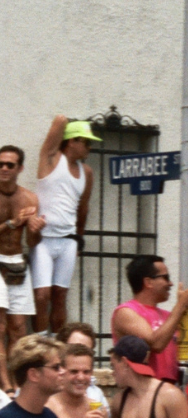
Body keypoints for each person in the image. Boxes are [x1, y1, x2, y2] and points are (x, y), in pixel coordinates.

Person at [32, 118, 98, 334]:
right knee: (42, 296)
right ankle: (42, 345)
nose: (89, 147)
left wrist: (79, 238)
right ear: (71, 141)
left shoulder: (86, 172)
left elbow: (83, 208)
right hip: (43, 238)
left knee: (60, 295)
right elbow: (59, 120)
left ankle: (58, 345)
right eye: (86, 142)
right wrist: (70, 123)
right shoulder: (52, 158)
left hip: (68, 240)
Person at [111, 255, 188, 384]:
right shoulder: (126, 312)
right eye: (166, 278)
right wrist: (181, 306)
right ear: (148, 282)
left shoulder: (169, 316)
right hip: (143, 393)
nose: (170, 283)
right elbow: (156, 344)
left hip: (171, 389)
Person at [108, 336, 188, 418]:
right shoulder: (118, 401)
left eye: (113, 366)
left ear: (124, 362)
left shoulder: (170, 396)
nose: (112, 373)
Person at [0, 144, 45, 364]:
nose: (4, 168)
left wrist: (35, 231)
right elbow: (14, 225)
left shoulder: (29, 199)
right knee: (0, 328)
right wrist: (12, 223)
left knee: (18, 328)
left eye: (10, 164)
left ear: (20, 168)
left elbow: (31, 242)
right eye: (0, 164)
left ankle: (16, 383)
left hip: (16, 261)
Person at [58, 322, 110, 411]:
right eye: (74, 349)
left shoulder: (96, 395)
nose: (81, 355)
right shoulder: (47, 391)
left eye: (86, 351)